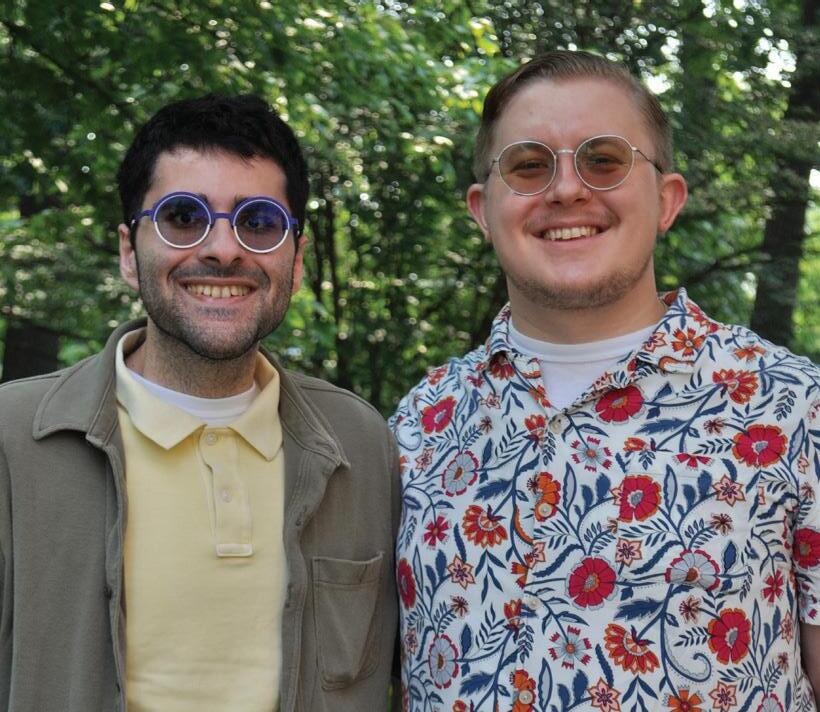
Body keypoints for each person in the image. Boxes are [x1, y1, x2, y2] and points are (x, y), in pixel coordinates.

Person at [391, 51, 820, 711]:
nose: (566, 189)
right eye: (528, 165)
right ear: (482, 210)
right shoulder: (417, 428)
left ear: (666, 200)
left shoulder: (790, 407)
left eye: (604, 160)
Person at [0, 94, 399, 711]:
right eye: (183, 217)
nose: (223, 249)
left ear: (296, 262)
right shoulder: (14, 440)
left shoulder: (360, 444)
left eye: (258, 222)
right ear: (130, 253)